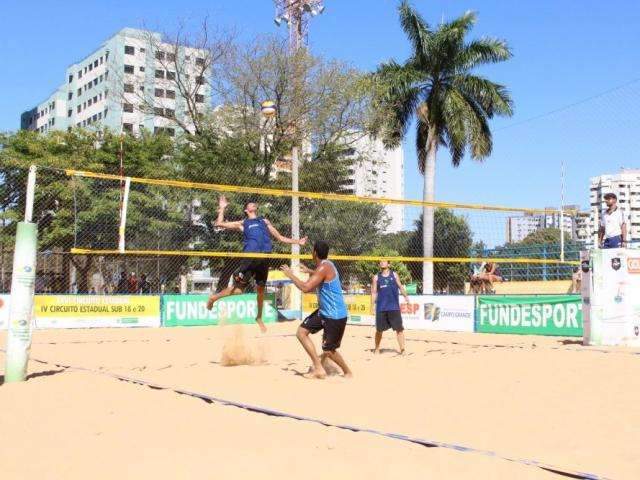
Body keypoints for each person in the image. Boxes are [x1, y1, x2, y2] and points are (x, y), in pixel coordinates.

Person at [207, 195, 307, 333]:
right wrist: (222, 208)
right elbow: (219, 223)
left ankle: (259, 317)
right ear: (246, 210)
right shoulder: (244, 223)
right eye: (250, 204)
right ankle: (214, 298)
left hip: (264, 258)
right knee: (238, 290)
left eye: (254, 203)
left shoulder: (264, 221)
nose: (253, 204)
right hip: (250, 259)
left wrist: (298, 242)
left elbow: (280, 238)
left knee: (260, 290)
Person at [280, 240, 352, 379]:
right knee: (301, 332)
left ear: (314, 253)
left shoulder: (323, 268)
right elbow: (319, 275)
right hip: (324, 311)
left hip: (334, 315)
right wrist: (308, 271)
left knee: (329, 351)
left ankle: (348, 372)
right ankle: (319, 368)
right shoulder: (326, 265)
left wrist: (290, 275)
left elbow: (306, 288)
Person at [371, 260, 410, 355]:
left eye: (384, 262)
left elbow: (400, 286)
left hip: (394, 307)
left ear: (388, 264)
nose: (382, 263)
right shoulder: (376, 277)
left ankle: (402, 349)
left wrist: (406, 297)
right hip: (381, 307)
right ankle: (377, 348)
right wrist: (372, 306)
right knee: (379, 330)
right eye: (380, 262)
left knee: (399, 330)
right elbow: (374, 292)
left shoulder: (394, 275)